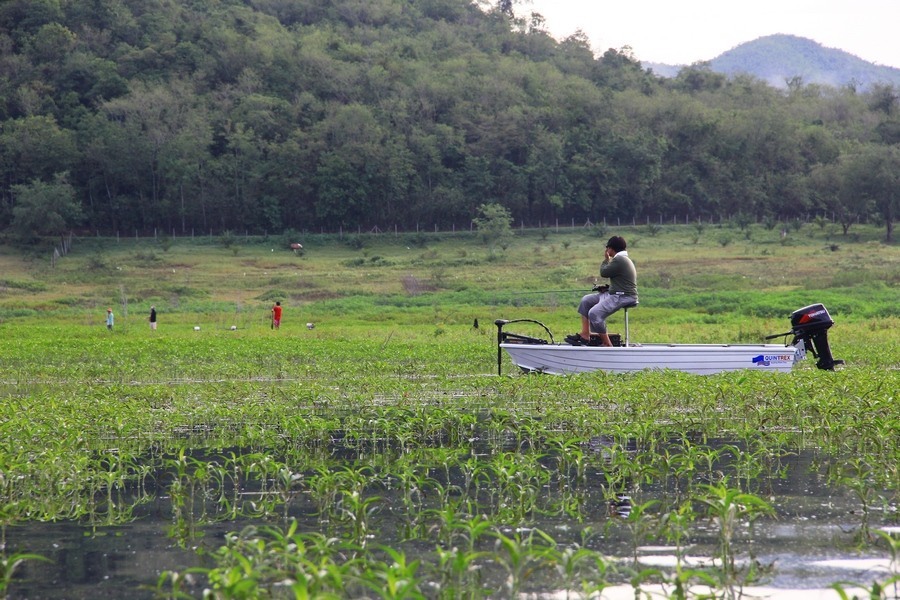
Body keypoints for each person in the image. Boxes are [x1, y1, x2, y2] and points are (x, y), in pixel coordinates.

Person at [566, 235, 637, 347]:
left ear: (611, 249)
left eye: (607, 248)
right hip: (615, 292)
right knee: (586, 300)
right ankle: (585, 334)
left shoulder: (619, 260)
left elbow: (604, 272)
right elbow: (620, 281)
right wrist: (607, 288)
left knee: (594, 313)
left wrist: (606, 260)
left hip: (623, 296)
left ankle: (607, 344)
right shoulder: (622, 260)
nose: (606, 250)